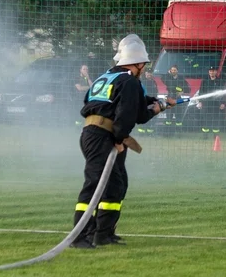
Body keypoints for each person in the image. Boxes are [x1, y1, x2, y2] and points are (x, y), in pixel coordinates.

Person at [70, 35, 175, 248]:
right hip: (104, 136)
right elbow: (132, 115)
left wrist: (157, 101)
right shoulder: (129, 81)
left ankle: (103, 234)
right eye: (143, 65)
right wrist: (119, 139)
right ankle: (80, 236)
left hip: (95, 133)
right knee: (95, 183)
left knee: (116, 183)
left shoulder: (109, 77)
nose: (144, 68)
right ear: (136, 63)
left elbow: (111, 102)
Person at [197, 66, 226, 137]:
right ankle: (205, 135)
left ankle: (215, 135)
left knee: (216, 119)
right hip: (206, 103)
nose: (211, 72)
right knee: (205, 119)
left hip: (216, 103)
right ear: (208, 72)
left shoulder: (220, 81)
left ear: (216, 72)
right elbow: (201, 92)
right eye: (210, 71)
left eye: (213, 71)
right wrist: (200, 102)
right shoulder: (205, 81)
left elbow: (223, 93)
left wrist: (222, 103)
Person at [162, 64, 187, 132]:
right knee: (169, 116)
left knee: (178, 116)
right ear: (170, 71)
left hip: (178, 99)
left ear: (177, 71)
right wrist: (168, 73)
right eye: (172, 70)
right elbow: (162, 79)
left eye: (174, 70)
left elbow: (188, 88)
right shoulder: (168, 77)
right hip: (170, 97)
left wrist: (182, 91)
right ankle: (168, 132)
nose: (173, 71)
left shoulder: (181, 78)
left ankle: (178, 132)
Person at [138, 67, 159, 134]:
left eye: (150, 73)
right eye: (148, 73)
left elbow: (156, 91)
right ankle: (142, 132)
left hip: (152, 102)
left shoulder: (153, 81)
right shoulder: (142, 81)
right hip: (144, 101)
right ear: (145, 74)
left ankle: (150, 132)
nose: (149, 75)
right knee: (144, 115)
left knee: (151, 117)